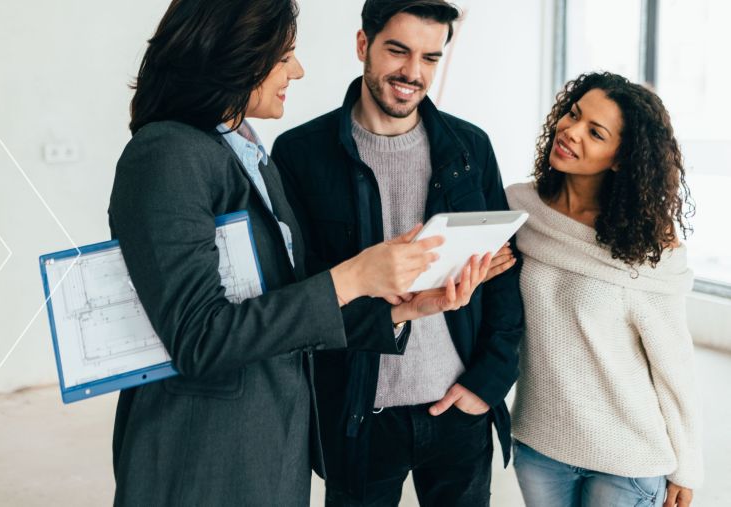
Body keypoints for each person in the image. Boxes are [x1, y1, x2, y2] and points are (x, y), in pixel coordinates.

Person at [107, 0, 483, 505]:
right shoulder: (167, 154)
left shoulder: (246, 153)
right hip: (207, 455)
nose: (298, 71)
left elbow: (288, 309)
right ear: (237, 56)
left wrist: (401, 309)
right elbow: (199, 338)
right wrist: (352, 276)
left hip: (272, 438)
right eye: (284, 57)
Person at [272, 1, 524, 505]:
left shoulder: (470, 147)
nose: (413, 72)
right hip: (360, 414)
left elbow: (503, 279)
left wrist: (488, 383)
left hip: (458, 408)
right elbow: (300, 295)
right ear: (363, 45)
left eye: (430, 58)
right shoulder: (299, 154)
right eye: (398, 51)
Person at [506, 72, 702, 507]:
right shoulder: (518, 209)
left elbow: (674, 365)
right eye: (573, 115)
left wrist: (686, 466)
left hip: (629, 456)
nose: (570, 132)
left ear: (620, 158)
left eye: (595, 133)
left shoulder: (647, 246)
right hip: (540, 444)